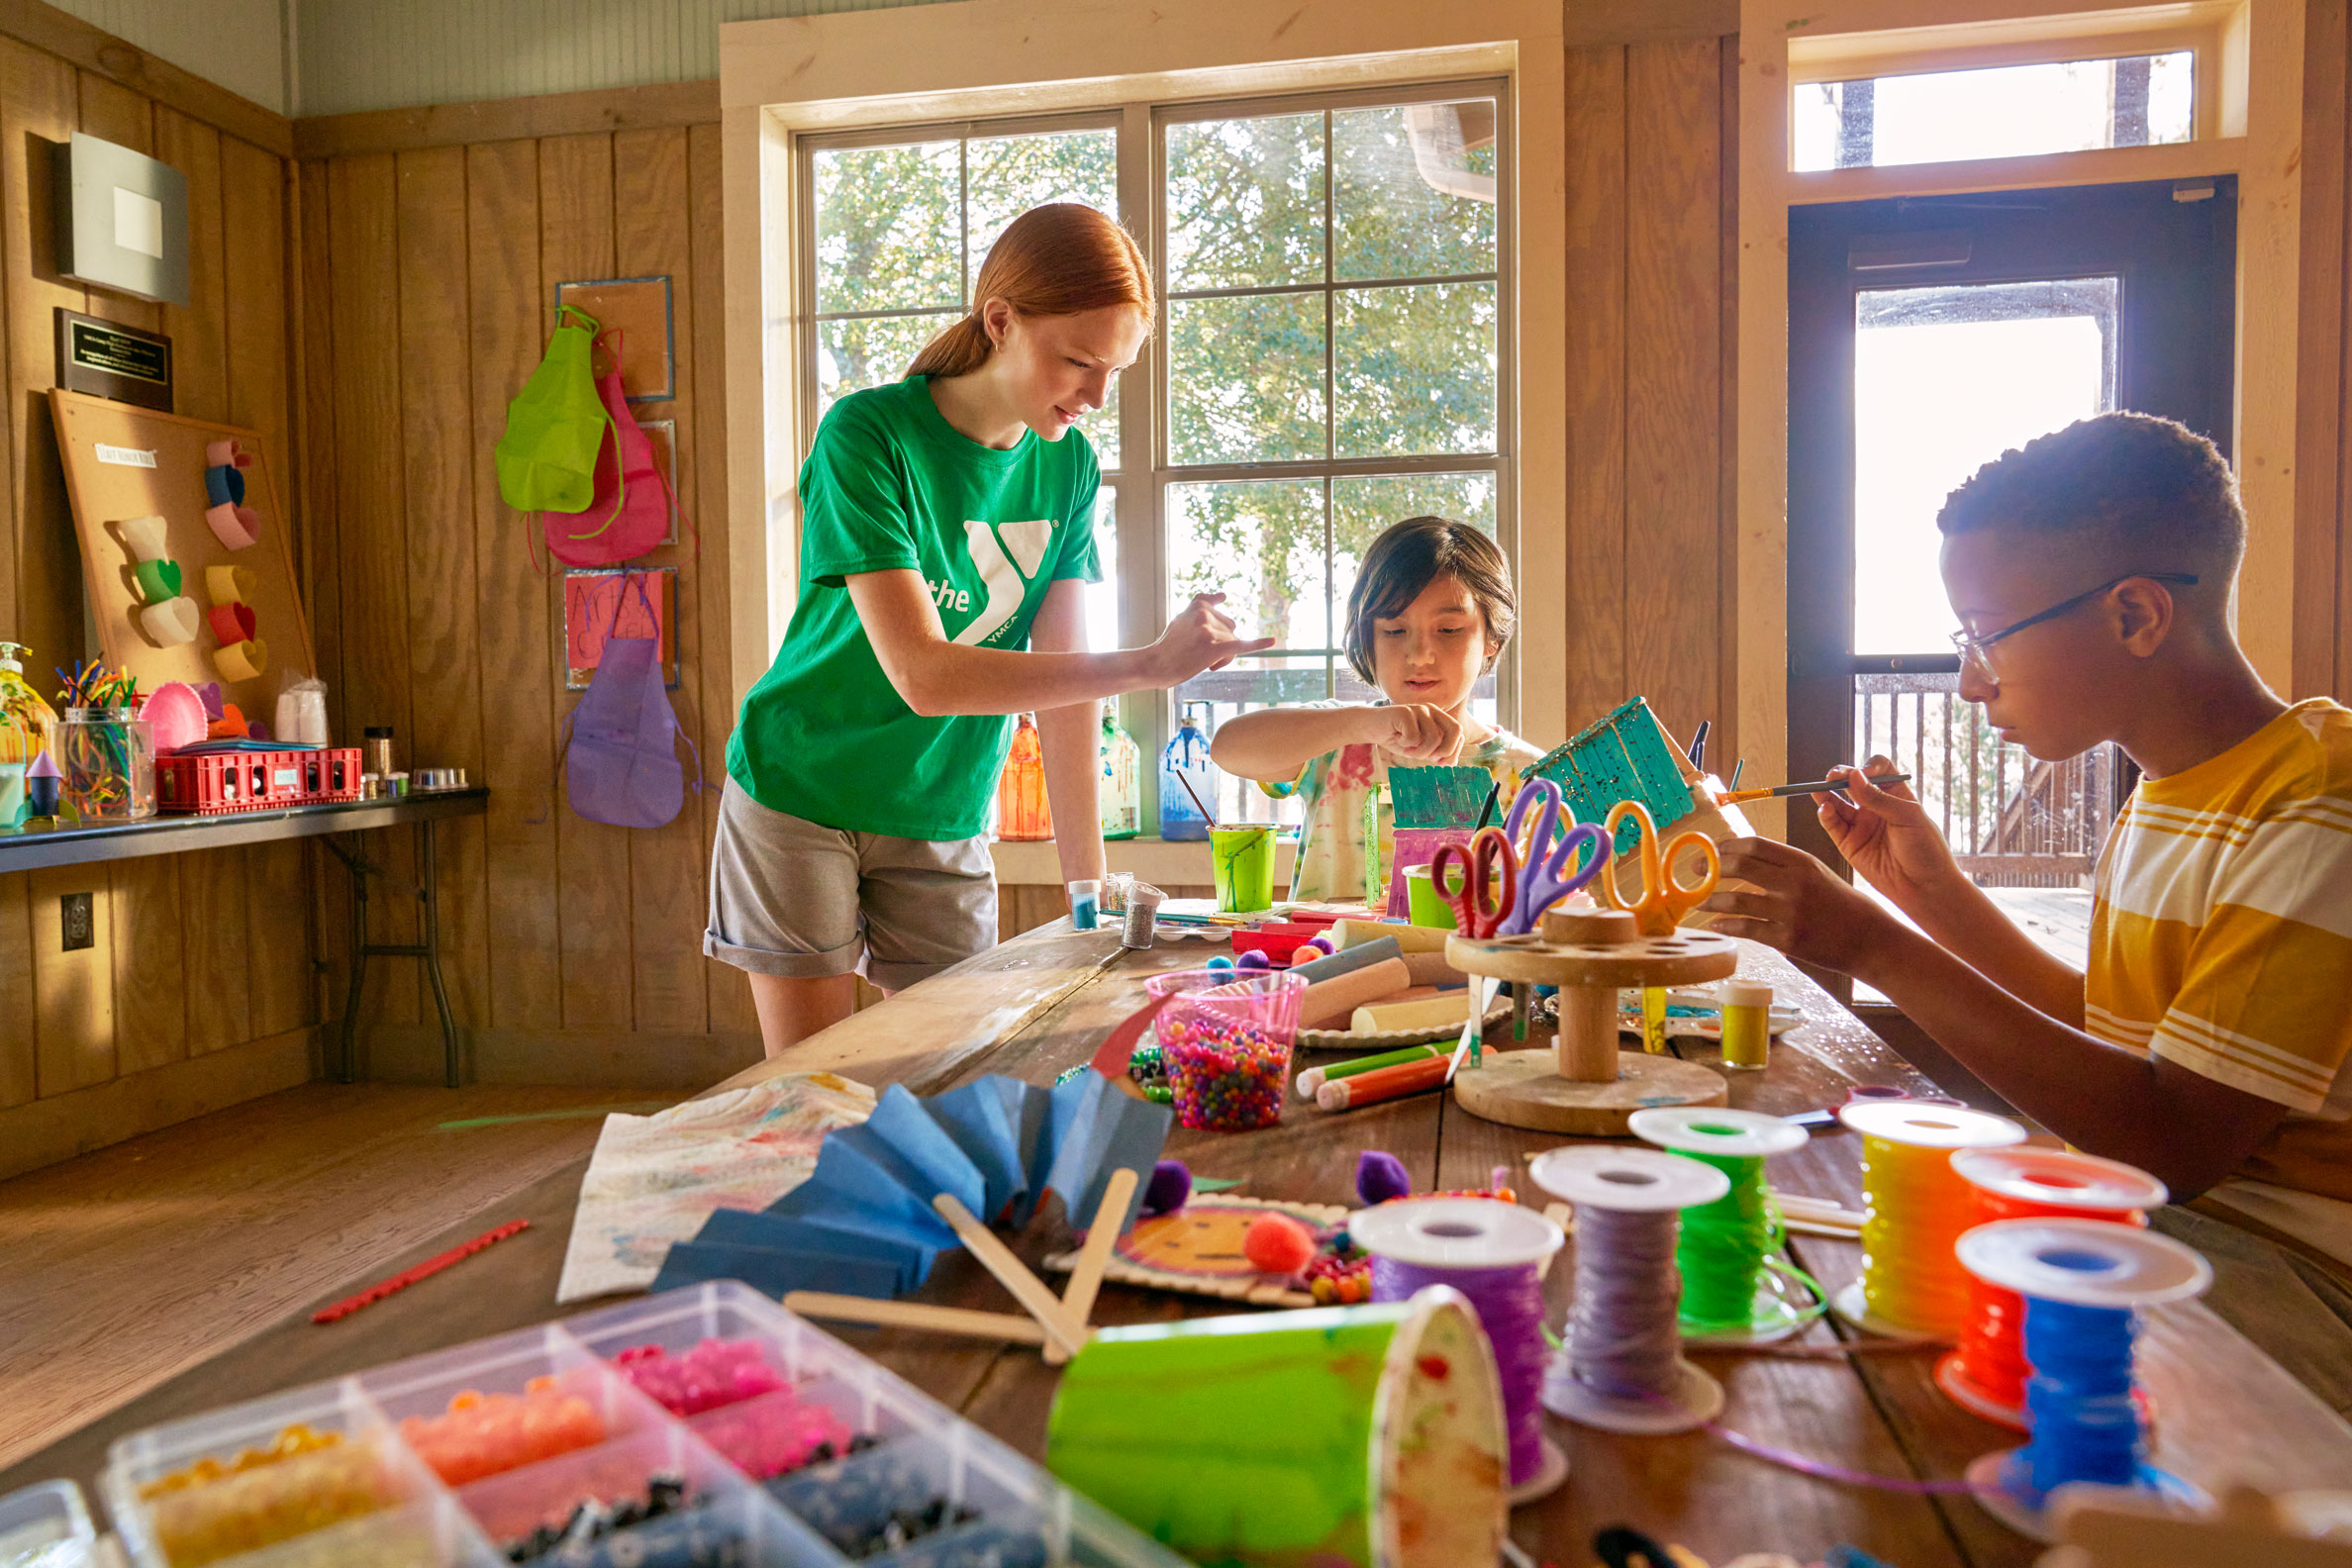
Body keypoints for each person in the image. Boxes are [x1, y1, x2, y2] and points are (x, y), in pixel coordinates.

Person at [1700, 412, 2352, 1275]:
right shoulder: (2173, 791)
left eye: (1986, 637)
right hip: (2154, 1228)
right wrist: (1928, 896)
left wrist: (1867, 942)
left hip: (2281, 1269)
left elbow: (2174, 1143)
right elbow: (2113, 1041)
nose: (1971, 683)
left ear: (2135, 615)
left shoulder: (2317, 802)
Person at [709, 203, 1273, 1056]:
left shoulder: (1068, 465)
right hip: (801, 789)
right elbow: (925, 677)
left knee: (958, 1077)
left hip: (943, 805)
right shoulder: (868, 435)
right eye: (1079, 361)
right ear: (1001, 321)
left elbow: (1067, 687)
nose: (1096, 396)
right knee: (812, 1089)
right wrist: (1152, 664)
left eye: (1116, 369)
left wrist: (1088, 891)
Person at [1211, 517, 1543, 904]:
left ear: (1492, 637)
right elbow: (1227, 748)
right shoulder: (1337, 742)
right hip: (1329, 964)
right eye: (1394, 630)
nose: (1419, 655)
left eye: (1449, 630)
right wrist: (1362, 724)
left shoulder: (1529, 778)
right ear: (1366, 637)